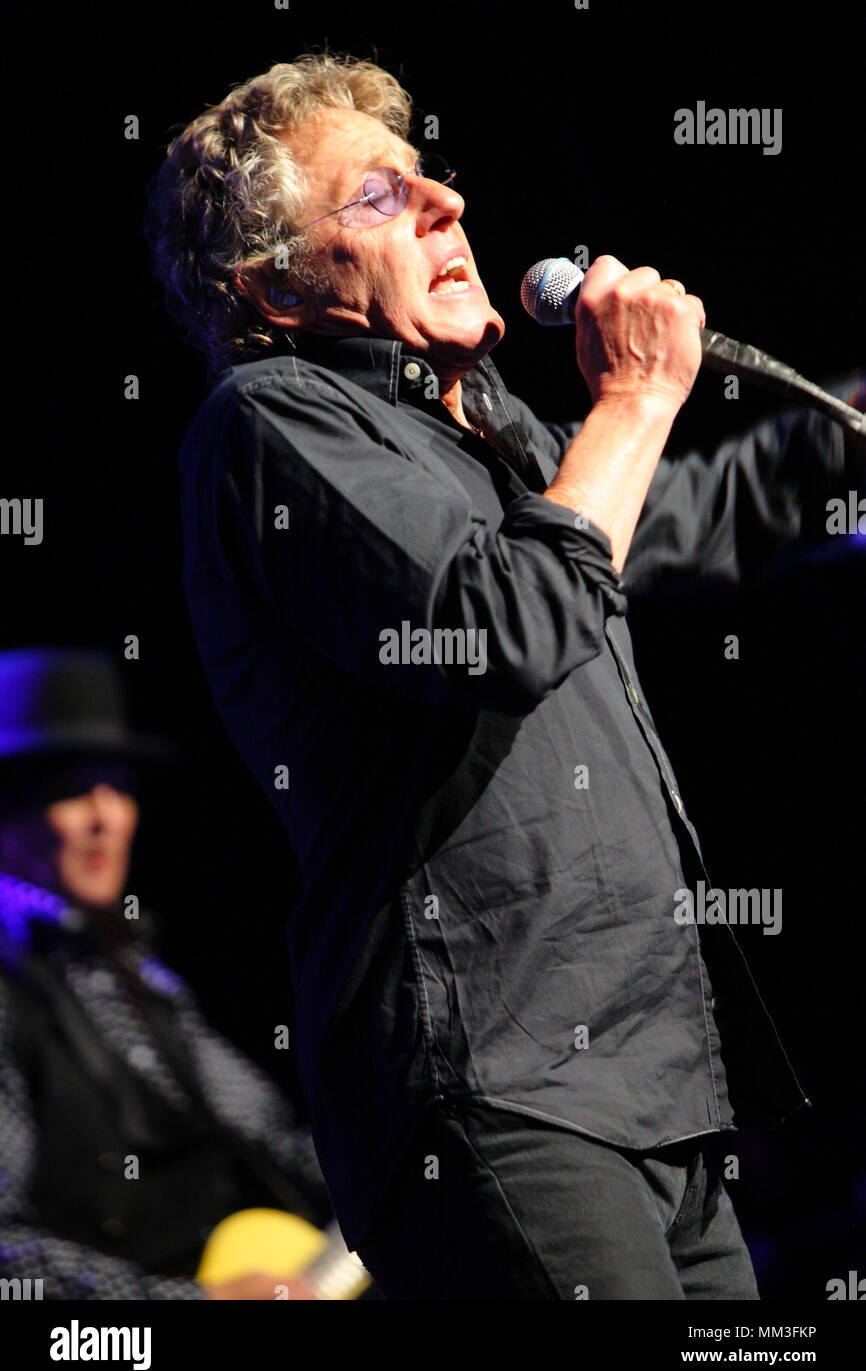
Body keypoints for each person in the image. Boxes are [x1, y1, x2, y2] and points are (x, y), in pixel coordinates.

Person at [146, 53, 863, 1298]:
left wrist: (840, 436)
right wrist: (634, 396)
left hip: (657, 1092)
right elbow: (503, 622)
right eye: (379, 198)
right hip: (495, 1090)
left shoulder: (488, 427)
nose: (446, 208)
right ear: (273, 283)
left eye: (433, 180)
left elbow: (673, 520)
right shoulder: (269, 423)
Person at [0, 647, 365, 1301]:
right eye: (72, 788)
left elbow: (270, 1137)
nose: (105, 818)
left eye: (118, 787)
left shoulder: (142, 981)